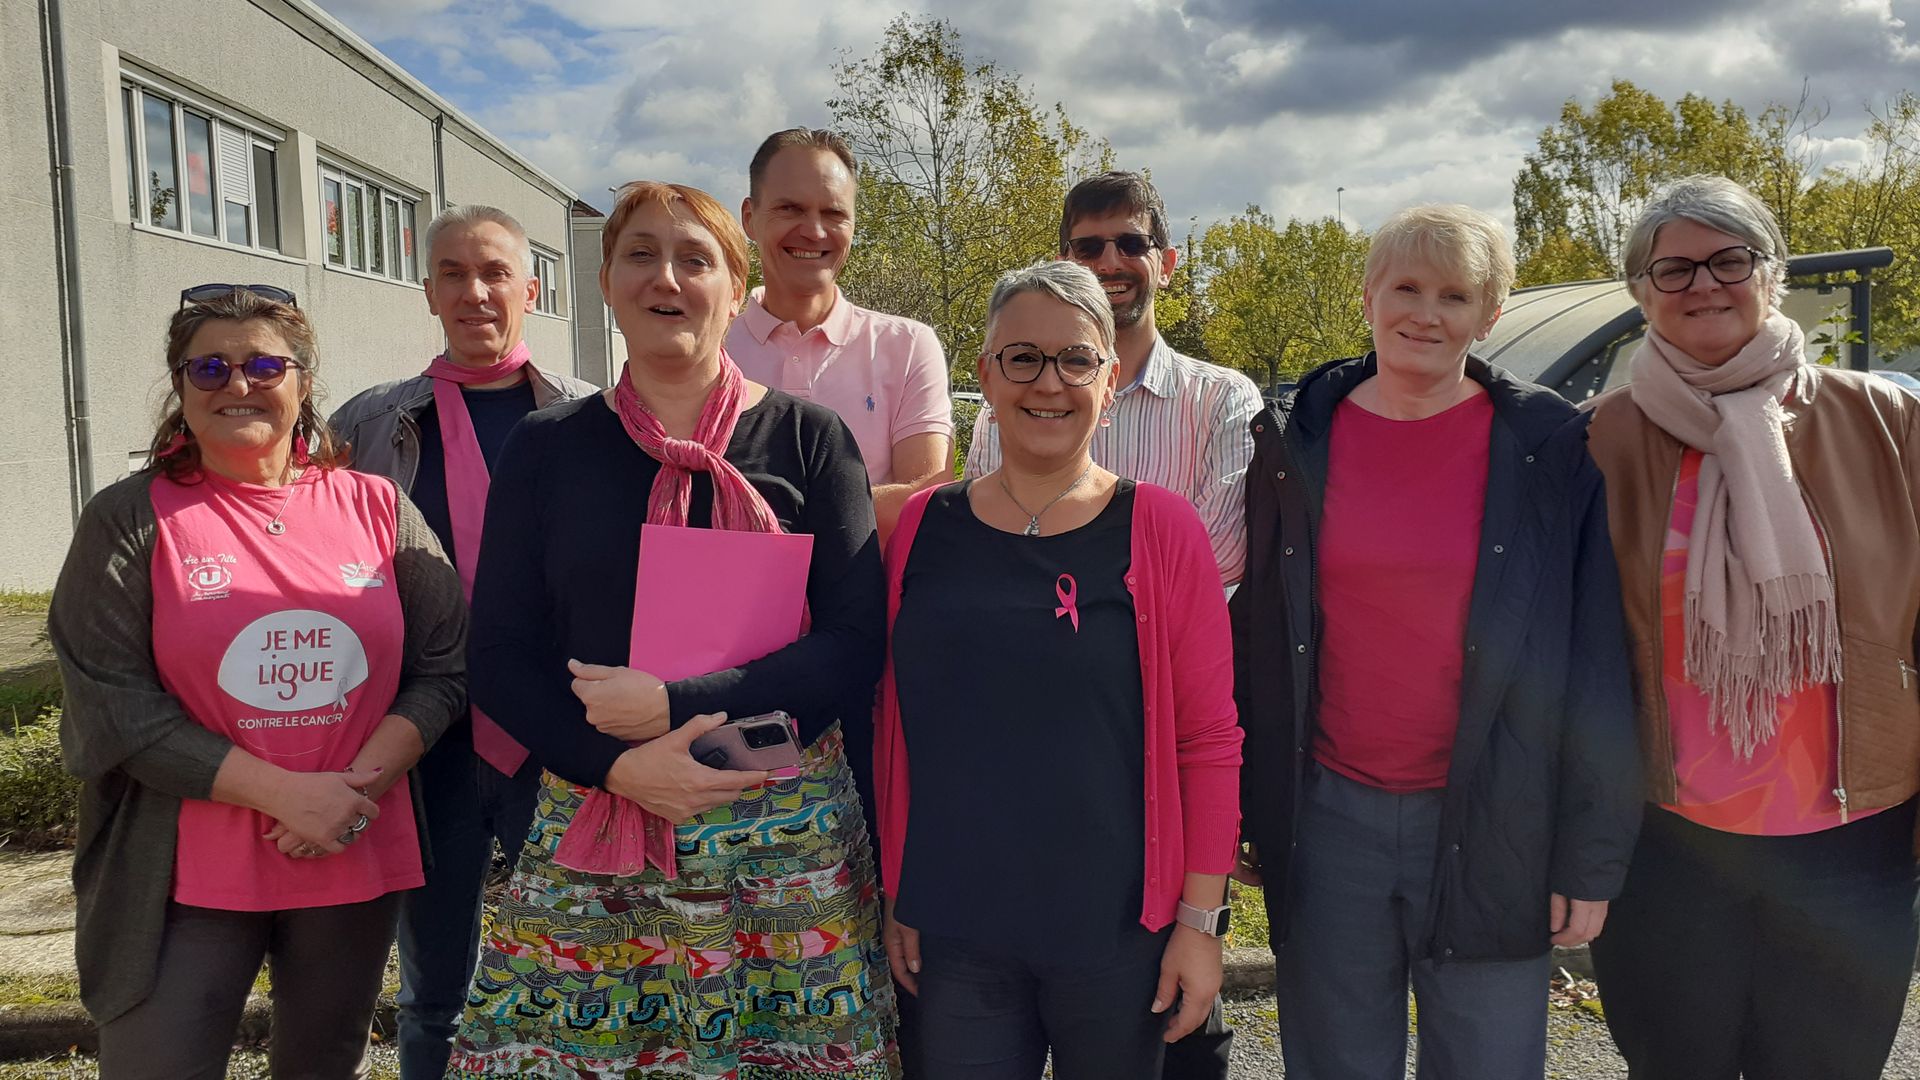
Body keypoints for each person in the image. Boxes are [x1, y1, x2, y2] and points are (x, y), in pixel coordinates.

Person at [446, 181, 896, 1078]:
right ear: (607, 283)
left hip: (781, 829)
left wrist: (674, 706)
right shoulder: (547, 445)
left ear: (738, 289)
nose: (667, 276)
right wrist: (622, 766)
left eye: (697, 258)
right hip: (600, 812)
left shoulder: (810, 439)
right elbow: (497, 656)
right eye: (641, 254)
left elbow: (854, 642)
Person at [1232, 205, 1642, 1079]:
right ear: (1370, 294)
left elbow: (1597, 659)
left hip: (1498, 818)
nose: (1426, 312)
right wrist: (1247, 798)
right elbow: (1260, 633)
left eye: (1455, 294)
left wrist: (1592, 854)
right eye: (1407, 287)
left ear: (1491, 314)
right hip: (1330, 815)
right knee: (1337, 1061)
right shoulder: (1295, 437)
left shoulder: (1549, 447)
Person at [49, 285, 467, 1079]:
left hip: (349, 845)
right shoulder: (130, 518)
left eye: (262, 365)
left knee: (322, 1064)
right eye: (208, 367)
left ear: (303, 383)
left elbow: (445, 667)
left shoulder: (377, 506)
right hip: (181, 873)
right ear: (180, 387)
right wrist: (287, 795)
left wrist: (347, 789)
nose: (236, 385)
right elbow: (114, 705)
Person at [1583, 175, 1920, 1080]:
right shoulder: (1591, 443)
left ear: (1773, 275)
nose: (1704, 284)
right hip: (1665, 847)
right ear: (1639, 290)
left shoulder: (1889, 423)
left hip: (1855, 847)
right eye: (1675, 267)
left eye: (1731, 259)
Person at [876, 260, 1244, 1079]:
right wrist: (901, 886)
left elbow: (1210, 739)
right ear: (987, 375)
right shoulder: (920, 530)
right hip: (958, 927)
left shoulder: (1159, 528)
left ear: (1109, 381)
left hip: (1117, 939)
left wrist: (1200, 922)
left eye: (1076, 360)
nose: (1050, 382)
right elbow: (898, 722)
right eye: (1023, 357)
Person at [328, 203, 597, 1080]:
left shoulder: (591, 420)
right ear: (429, 289)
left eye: (493, 274)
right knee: (434, 986)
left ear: (532, 288)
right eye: (453, 272)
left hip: (555, 738)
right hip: (424, 738)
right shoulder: (365, 426)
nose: (474, 292)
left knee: (579, 964)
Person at [966, 171, 1261, 588]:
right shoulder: (1012, 402)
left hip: (1166, 651)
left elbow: (1221, 557)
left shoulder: (1222, 401)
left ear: (1167, 265)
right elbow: (982, 538)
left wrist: (1066, 592)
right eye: (1088, 247)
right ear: (1063, 267)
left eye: (1132, 243)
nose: (1109, 263)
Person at [727, 127, 952, 543]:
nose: (813, 231)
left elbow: (924, 499)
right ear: (749, 218)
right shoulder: (713, 351)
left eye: (833, 214)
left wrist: (755, 511)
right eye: (790, 209)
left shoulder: (907, 346)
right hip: (733, 607)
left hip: (868, 607)